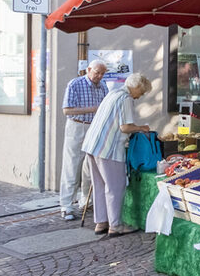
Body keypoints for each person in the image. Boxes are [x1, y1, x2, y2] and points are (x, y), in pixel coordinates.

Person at [82, 73, 152, 236]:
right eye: (141, 93)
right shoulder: (126, 98)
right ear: (136, 87)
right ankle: (115, 226)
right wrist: (142, 128)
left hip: (92, 145)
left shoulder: (113, 93)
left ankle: (101, 223)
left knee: (99, 185)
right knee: (115, 186)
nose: (139, 97)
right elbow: (125, 127)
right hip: (109, 148)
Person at [58, 60, 108, 221]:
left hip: (94, 128)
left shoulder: (103, 86)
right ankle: (66, 206)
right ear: (88, 69)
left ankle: (85, 200)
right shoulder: (75, 84)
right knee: (72, 166)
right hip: (77, 126)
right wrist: (92, 109)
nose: (99, 76)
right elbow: (66, 110)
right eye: (96, 72)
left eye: (102, 73)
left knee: (90, 166)